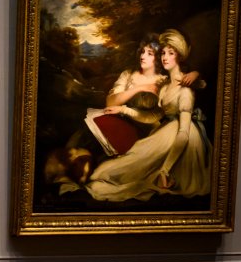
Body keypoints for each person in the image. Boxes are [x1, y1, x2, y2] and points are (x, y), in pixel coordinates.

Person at [86, 29, 212, 202]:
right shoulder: (165, 87)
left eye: (170, 53)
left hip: (183, 138)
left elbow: (183, 133)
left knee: (133, 172)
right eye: (163, 53)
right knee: (103, 172)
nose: (165, 57)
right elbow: (153, 116)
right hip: (164, 132)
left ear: (180, 57)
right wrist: (123, 110)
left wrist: (165, 169)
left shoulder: (184, 89)